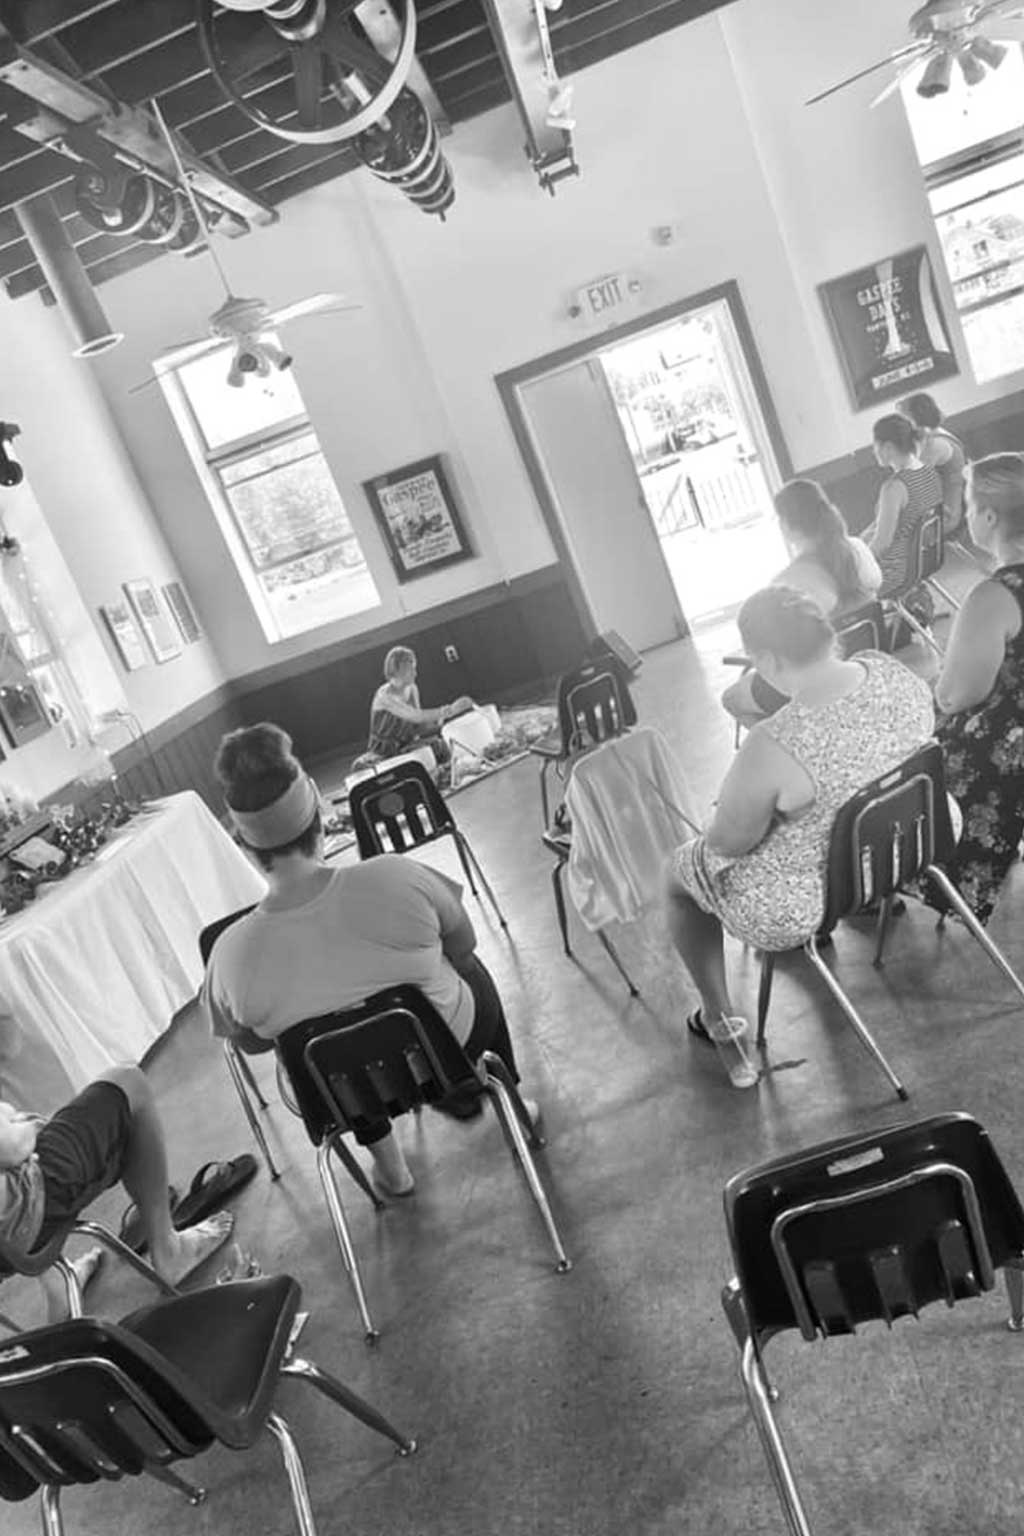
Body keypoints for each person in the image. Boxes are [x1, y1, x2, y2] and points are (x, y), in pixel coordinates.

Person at [202, 723, 537, 1197]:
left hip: (335, 1096)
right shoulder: (397, 876)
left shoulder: (228, 955)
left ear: (245, 844)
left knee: (330, 1052)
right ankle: (510, 1104)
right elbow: (464, 948)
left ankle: (391, 1169)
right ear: (319, 815)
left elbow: (253, 1044)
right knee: (472, 974)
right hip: (448, 1051)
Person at [668, 586, 934, 1080]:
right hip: (914, 840)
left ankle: (717, 1015)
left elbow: (727, 843)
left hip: (817, 894)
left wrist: (734, 813)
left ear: (768, 659)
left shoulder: (774, 740)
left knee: (677, 873)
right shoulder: (888, 671)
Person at [0, 1066, 234, 1312]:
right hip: (29, 1211)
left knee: (62, 1128)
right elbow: (13, 1147)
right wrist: (27, 1126)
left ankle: (59, 1288)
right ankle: (170, 1251)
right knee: (129, 1084)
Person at [930, 454, 1024, 923]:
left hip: (1008, 753)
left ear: (989, 517)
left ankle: (891, 882)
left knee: (906, 766)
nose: (966, 515)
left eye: (968, 506)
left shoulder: (995, 596)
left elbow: (956, 695)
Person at [722, 479, 882, 725]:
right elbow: (877, 586)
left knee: (731, 698)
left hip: (815, 681)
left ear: (787, 526)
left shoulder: (786, 585)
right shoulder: (857, 549)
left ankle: (792, 741)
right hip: (867, 666)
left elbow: (783, 650)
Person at [863, 414, 943, 600]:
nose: (874, 451)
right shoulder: (928, 471)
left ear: (888, 447)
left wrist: (858, 565)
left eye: (875, 445)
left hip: (898, 572)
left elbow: (882, 544)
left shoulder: (894, 488)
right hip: (927, 558)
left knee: (844, 591)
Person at [366, 646, 475, 765]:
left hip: (408, 745)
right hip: (383, 753)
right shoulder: (385, 696)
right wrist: (450, 710)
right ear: (398, 670)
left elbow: (419, 727)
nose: (415, 673)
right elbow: (417, 716)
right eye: (411, 669)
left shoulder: (412, 688)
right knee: (427, 755)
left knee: (440, 745)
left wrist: (444, 722)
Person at [898, 393, 968, 536]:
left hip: (944, 518)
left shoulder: (935, 444)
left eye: (902, 419)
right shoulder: (931, 438)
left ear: (915, 418)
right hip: (935, 514)